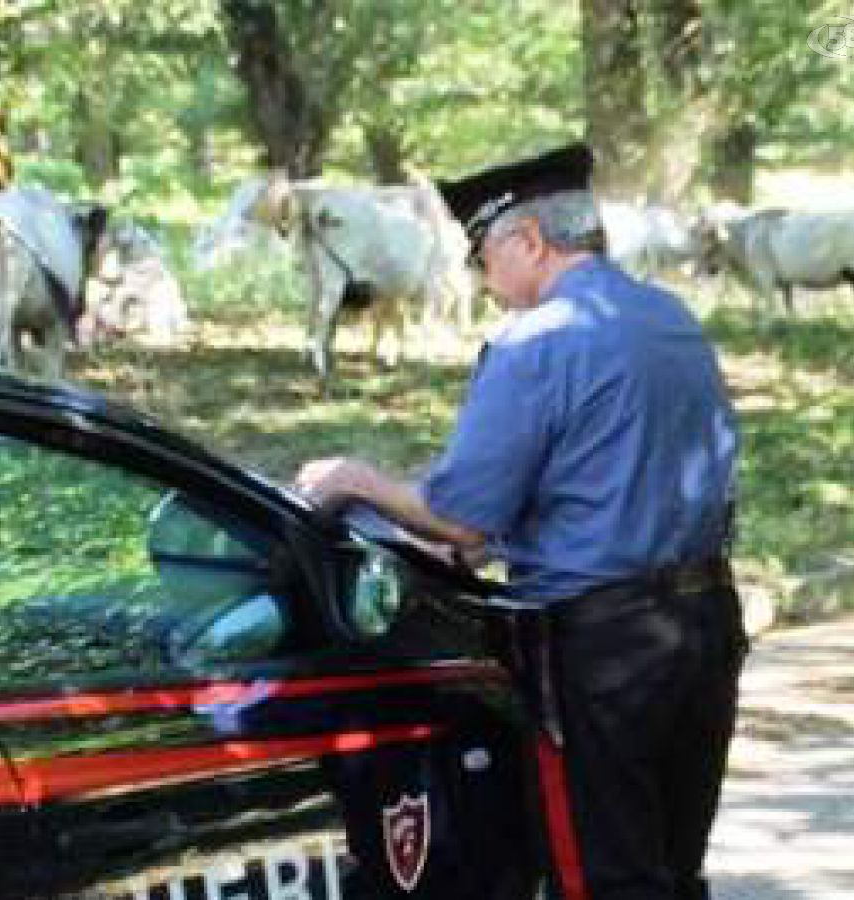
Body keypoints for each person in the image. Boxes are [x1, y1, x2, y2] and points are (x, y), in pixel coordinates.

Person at [295, 143, 745, 900]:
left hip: (603, 652)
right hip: (704, 627)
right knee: (674, 865)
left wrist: (354, 480)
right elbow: (608, 473)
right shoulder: (670, 319)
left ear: (529, 240)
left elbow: (460, 518)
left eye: (481, 252)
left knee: (600, 877)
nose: (480, 276)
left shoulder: (538, 340)